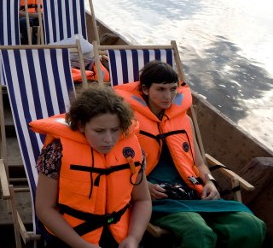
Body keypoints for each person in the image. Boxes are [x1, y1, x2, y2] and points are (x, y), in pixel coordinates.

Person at [114, 61, 266, 248]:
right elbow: (118, 164)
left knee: (251, 226)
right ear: (145, 89)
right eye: (161, 89)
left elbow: (200, 164)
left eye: (172, 89)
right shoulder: (127, 120)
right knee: (198, 231)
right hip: (157, 196)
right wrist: (145, 186)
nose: (168, 96)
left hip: (191, 190)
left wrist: (210, 181)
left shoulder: (183, 120)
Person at [30, 86, 151, 248]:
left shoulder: (132, 151)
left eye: (115, 130)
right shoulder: (56, 152)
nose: (108, 139)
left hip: (120, 234)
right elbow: (44, 208)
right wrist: (81, 245)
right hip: (70, 236)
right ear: (81, 126)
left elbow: (142, 200)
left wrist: (134, 238)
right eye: (99, 131)